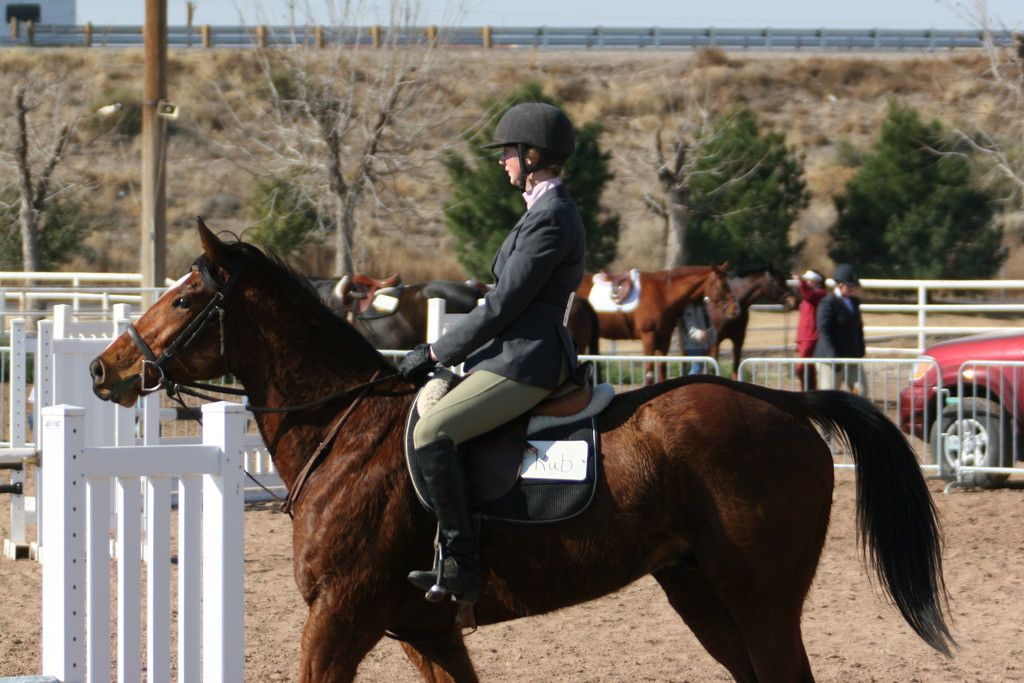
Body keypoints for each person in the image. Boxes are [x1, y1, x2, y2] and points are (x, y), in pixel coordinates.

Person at [397, 102, 586, 605]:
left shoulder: (552, 216)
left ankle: (460, 563)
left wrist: (437, 349)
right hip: (508, 354)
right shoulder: (541, 212)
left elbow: (504, 304)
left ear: (532, 155)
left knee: (433, 431)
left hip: (527, 360)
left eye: (507, 152)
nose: (502, 161)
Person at [814, 263, 866, 394]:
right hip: (830, 358)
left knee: (861, 392)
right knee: (830, 396)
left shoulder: (854, 302)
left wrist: (860, 349)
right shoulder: (828, 303)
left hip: (851, 356)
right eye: (850, 286)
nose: (852, 289)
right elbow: (823, 330)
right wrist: (833, 356)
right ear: (840, 284)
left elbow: (858, 327)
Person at [793, 269, 826, 390]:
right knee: (807, 368)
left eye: (809, 281)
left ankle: (808, 391)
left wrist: (801, 282)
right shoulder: (810, 296)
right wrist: (798, 340)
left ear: (816, 282)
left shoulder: (819, 293)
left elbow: (809, 295)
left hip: (811, 337)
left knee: (802, 368)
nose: (806, 283)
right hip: (805, 337)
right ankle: (809, 391)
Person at [680, 298, 714, 375]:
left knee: (700, 368)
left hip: (703, 343)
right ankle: (690, 385)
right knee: (696, 369)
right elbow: (689, 324)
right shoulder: (689, 306)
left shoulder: (703, 304)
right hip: (692, 344)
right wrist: (698, 334)